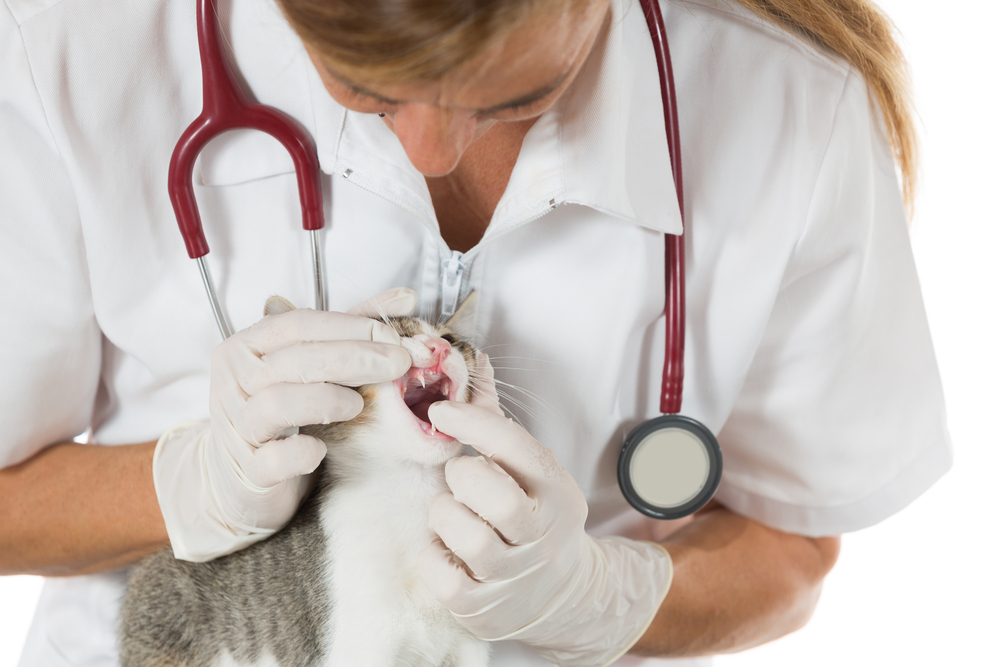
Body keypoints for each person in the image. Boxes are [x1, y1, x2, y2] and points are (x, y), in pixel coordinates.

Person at [0, 0, 950, 665]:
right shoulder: (67, 50)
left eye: (515, 96)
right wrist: (187, 482)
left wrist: (592, 595)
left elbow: (792, 549)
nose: (431, 151)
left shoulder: (792, 110)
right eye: (362, 88)